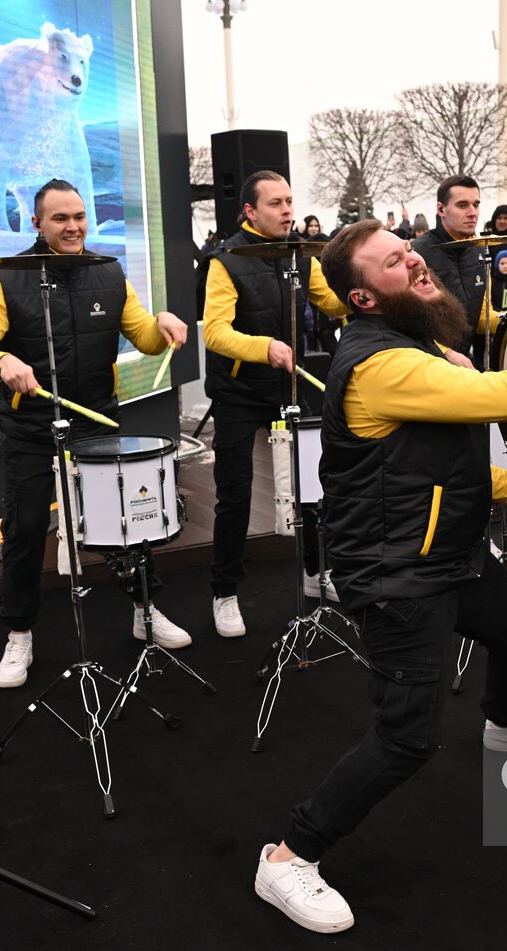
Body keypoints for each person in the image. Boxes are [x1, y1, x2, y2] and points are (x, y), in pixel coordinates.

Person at [254, 219, 507, 933]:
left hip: (448, 552)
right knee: (406, 737)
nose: (412, 257)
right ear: (364, 297)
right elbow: (505, 399)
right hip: (397, 575)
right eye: (391, 261)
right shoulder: (383, 364)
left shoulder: (418, 345)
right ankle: (289, 856)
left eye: (405, 247)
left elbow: (442, 466)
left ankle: (505, 727)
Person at [0, 179, 191, 689]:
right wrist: (1, 359)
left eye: (80, 216)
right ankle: (19, 634)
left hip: (95, 419)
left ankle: (144, 613)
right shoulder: (7, 278)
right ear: (36, 223)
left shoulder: (108, 272)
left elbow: (146, 339)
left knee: (123, 524)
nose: (74, 226)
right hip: (29, 426)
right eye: (60, 218)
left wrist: (164, 322)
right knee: (22, 529)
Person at [202, 171, 350, 635]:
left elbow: (333, 303)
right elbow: (215, 331)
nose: (287, 211)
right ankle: (225, 593)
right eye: (276, 204)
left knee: (314, 485)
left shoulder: (301, 256)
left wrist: (373, 296)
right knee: (235, 493)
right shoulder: (224, 261)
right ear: (249, 211)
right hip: (238, 393)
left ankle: (315, 572)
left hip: (287, 387)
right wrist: (262, 347)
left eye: (290, 201)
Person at [411, 175, 498, 368]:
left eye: (476, 205)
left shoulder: (479, 250)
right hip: (423, 365)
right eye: (462, 205)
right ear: (441, 209)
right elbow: (404, 321)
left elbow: (483, 315)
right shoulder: (417, 254)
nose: (472, 212)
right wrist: (445, 352)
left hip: (463, 363)